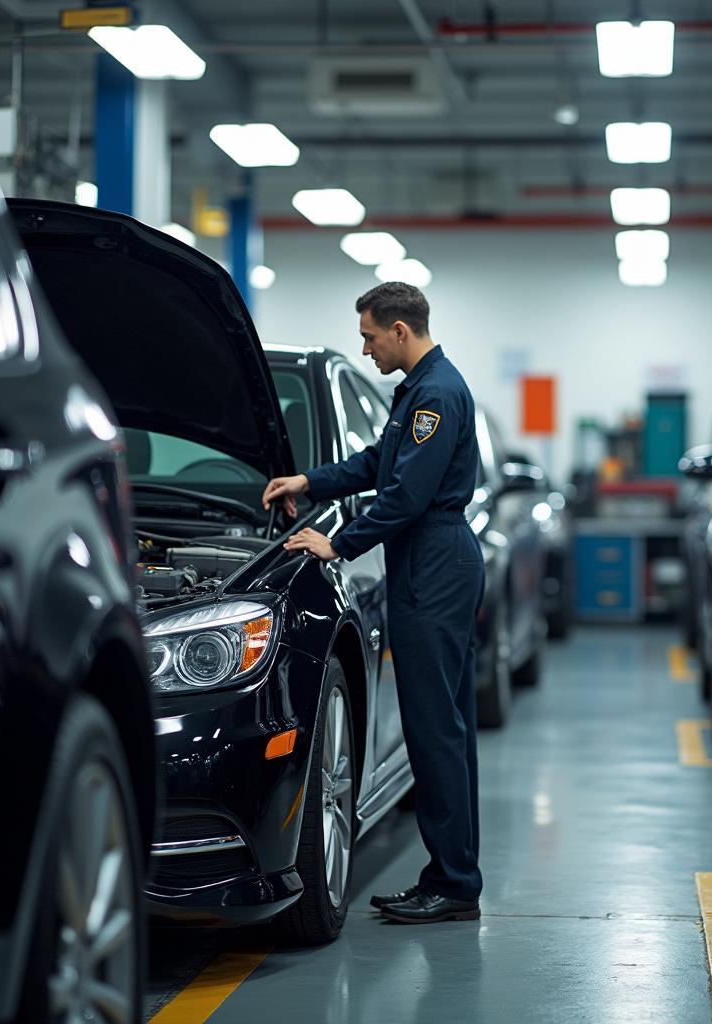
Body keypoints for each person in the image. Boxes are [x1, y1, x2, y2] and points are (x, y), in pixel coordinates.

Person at [262, 282, 485, 925]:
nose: (366, 349)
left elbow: (406, 497)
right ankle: (454, 876)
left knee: (432, 728)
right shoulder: (419, 391)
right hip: (431, 562)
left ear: (400, 331)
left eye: (369, 337)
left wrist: (339, 544)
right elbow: (376, 464)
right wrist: (311, 479)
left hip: (432, 564)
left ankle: (452, 882)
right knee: (445, 726)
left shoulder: (435, 396)